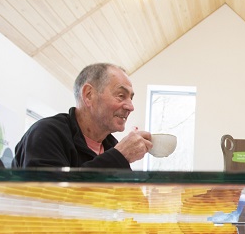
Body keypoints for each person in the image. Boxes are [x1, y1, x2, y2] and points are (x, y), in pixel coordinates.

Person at [13, 63, 152, 168]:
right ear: (88, 95)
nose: (131, 107)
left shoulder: (112, 146)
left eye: (131, 99)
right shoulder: (46, 133)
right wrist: (119, 157)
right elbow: (51, 198)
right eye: (121, 96)